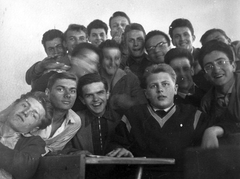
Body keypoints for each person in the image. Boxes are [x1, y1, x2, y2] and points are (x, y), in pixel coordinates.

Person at [107, 64, 212, 178]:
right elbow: (116, 143)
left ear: (175, 89)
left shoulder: (193, 115)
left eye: (165, 84)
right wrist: (119, 149)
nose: (160, 89)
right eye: (153, 86)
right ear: (146, 93)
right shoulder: (133, 115)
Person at [0, 91, 53, 179]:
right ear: (14, 105)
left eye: (33, 115)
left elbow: (23, 168)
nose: (25, 112)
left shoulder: (34, 142)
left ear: (34, 128)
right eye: (24, 105)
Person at [31, 72, 81, 154]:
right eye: (60, 89)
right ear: (47, 92)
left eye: (72, 91)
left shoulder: (75, 122)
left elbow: (51, 152)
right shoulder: (33, 112)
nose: (68, 95)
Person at [99, 40, 147, 113]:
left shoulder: (130, 78)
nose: (112, 63)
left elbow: (142, 106)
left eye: (117, 58)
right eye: (108, 58)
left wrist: (130, 103)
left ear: (121, 59)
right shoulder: (92, 78)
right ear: (100, 59)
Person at [169, 18, 211, 92]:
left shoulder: (204, 55)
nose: (182, 39)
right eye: (177, 36)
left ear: (193, 38)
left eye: (186, 35)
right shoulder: (169, 60)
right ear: (172, 41)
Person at [69, 42, 102, 112]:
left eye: (95, 64)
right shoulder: (50, 80)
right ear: (74, 60)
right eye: (89, 62)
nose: (93, 68)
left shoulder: (88, 89)